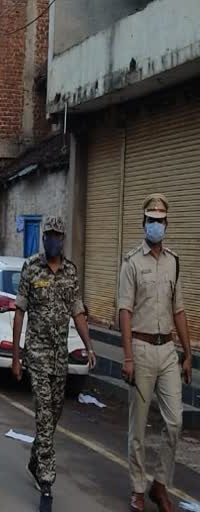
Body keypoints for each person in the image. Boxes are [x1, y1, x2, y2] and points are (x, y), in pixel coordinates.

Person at [11, 215, 95, 512]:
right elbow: (19, 312)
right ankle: (47, 485)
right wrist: (18, 358)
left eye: (58, 234)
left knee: (53, 417)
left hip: (61, 357)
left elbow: (78, 311)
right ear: (43, 236)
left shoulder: (70, 271)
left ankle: (36, 460)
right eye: (48, 234)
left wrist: (88, 346)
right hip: (38, 354)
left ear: (63, 237)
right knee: (44, 418)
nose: (52, 239)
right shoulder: (31, 268)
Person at [119, 194, 192, 512]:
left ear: (167, 224)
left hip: (167, 351)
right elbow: (124, 311)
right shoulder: (132, 262)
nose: (156, 226)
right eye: (151, 220)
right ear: (143, 222)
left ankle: (160, 483)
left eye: (161, 221)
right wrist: (128, 357)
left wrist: (187, 352)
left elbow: (178, 310)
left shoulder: (174, 261)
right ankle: (137, 487)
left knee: (175, 422)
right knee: (138, 424)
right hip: (142, 347)